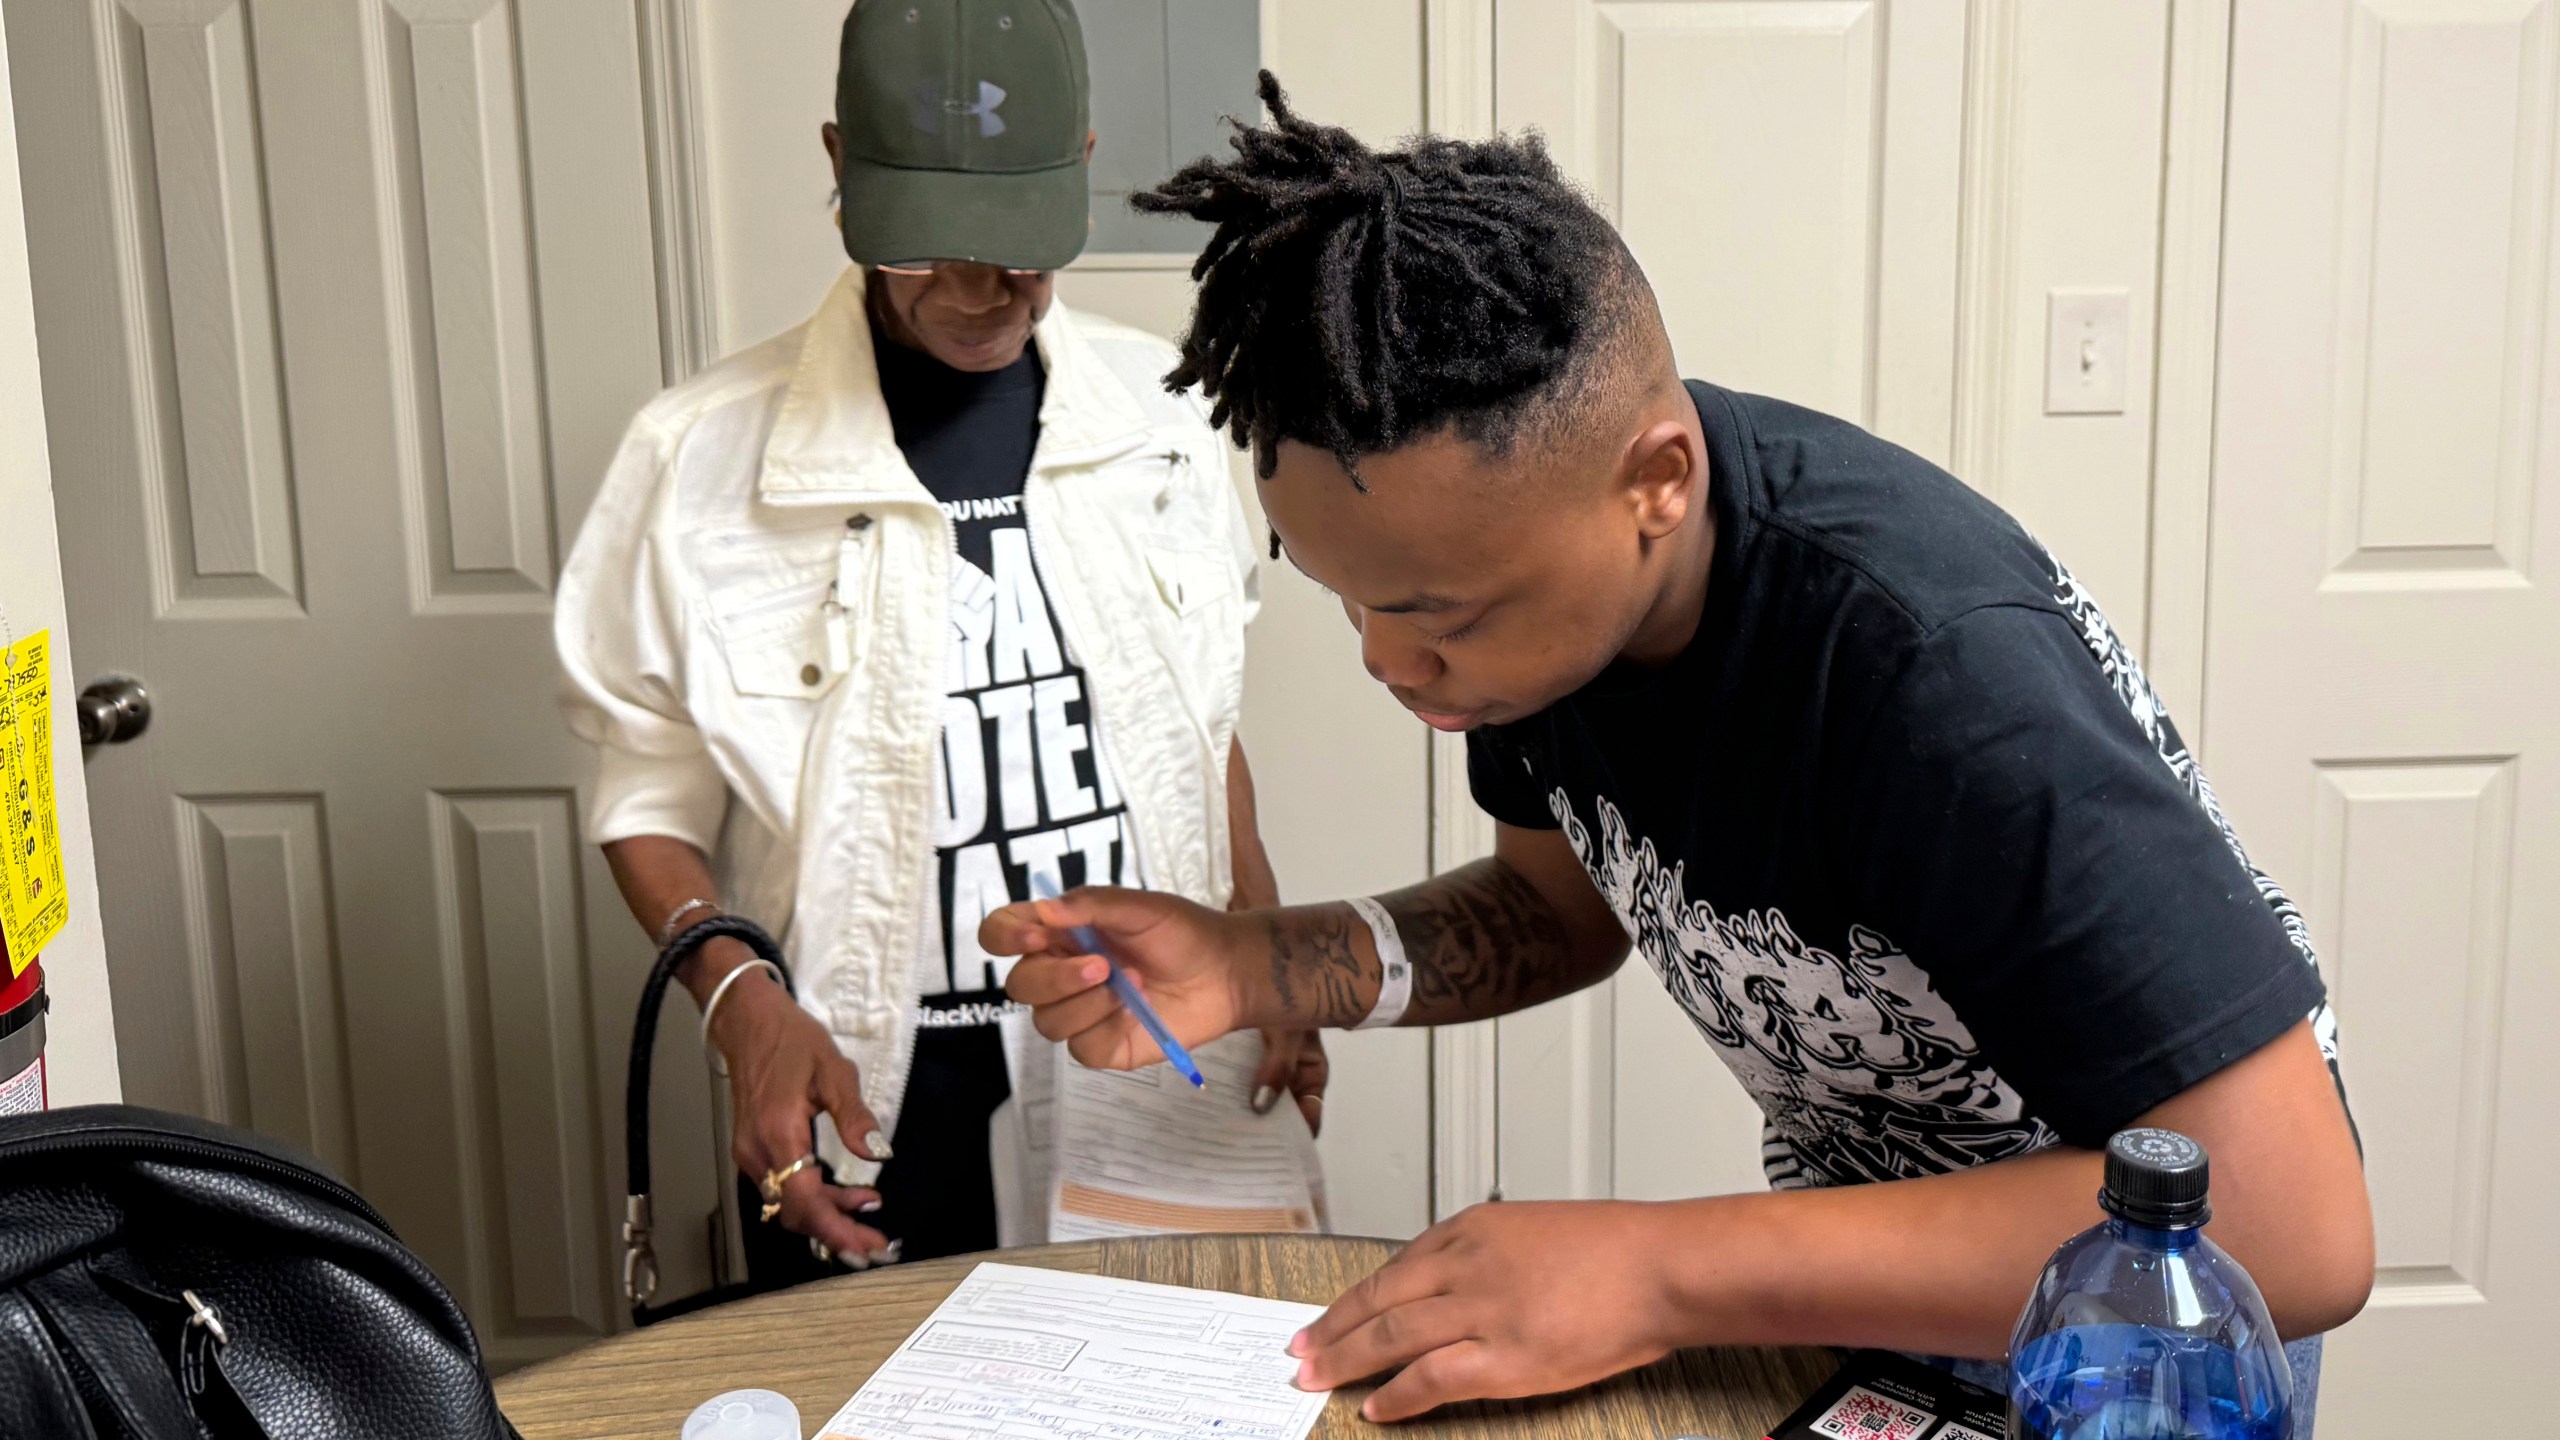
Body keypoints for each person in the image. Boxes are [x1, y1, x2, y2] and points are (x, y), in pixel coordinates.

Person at [988, 73, 2373, 1422]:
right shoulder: (1547, 616)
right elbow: (1559, 909)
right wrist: (1257, 964)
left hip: (2130, 1361)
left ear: (1655, 482)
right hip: (1863, 1300)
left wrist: (1650, 1269)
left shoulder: (1937, 679)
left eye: (1436, 615)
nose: (1387, 662)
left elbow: (2293, 1230)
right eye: (1345, 595)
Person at [556, 5, 1323, 1284]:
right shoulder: (696, 456)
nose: (980, 290)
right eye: (933, 248)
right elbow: (645, 790)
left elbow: (1204, 723)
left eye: (1018, 247)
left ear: (1077, 163)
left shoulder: (1166, 420)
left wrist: (1271, 953)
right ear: (838, 164)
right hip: (862, 1084)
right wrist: (743, 1009)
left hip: (1144, 1050)